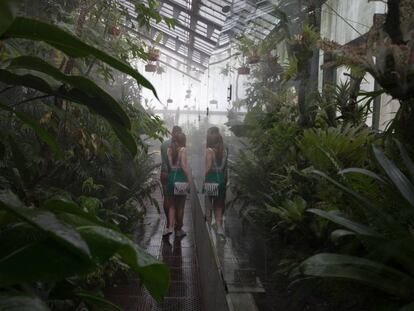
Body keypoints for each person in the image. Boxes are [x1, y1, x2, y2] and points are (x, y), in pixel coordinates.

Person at [164, 132, 191, 237]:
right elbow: (184, 166)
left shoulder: (169, 150)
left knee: (171, 206)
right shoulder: (183, 150)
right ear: (183, 140)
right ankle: (179, 229)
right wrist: (189, 180)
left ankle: (170, 227)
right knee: (180, 207)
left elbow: (170, 166)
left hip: (171, 179)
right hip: (181, 179)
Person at [205, 127, 228, 236]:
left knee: (209, 203)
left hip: (211, 179)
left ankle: (207, 226)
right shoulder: (224, 150)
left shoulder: (209, 151)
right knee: (218, 205)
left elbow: (209, 167)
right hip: (221, 180)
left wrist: (203, 176)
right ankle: (219, 227)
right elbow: (223, 167)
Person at [160, 126, 182, 226]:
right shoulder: (180, 146)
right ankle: (177, 225)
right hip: (176, 175)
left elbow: (163, 160)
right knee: (177, 202)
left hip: (164, 173)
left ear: (171, 132)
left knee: (167, 199)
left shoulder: (164, 144)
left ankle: (169, 222)